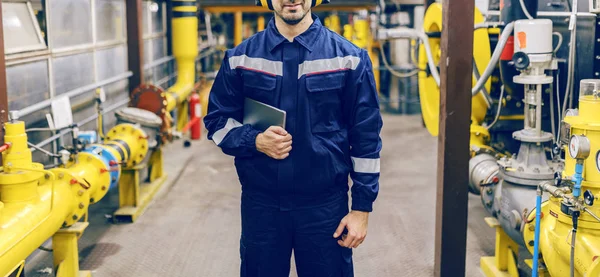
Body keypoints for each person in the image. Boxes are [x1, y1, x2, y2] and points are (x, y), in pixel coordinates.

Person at [204, 0, 382, 276]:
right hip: (262, 207)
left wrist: (361, 209)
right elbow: (216, 121)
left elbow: (366, 138)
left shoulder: (349, 58)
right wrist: (254, 140)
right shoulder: (240, 59)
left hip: (325, 209)